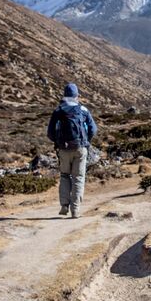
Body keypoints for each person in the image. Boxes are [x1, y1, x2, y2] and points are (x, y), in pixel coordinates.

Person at [46, 83, 97, 218]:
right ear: (77, 95)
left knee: (64, 176)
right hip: (80, 148)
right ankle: (75, 210)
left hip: (63, 149)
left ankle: (64, 205)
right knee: (78, 178)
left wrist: (58, 142)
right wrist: (86, 142)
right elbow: (93, 129)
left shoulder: (58, 110)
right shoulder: (83, 110)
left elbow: (50, 133)